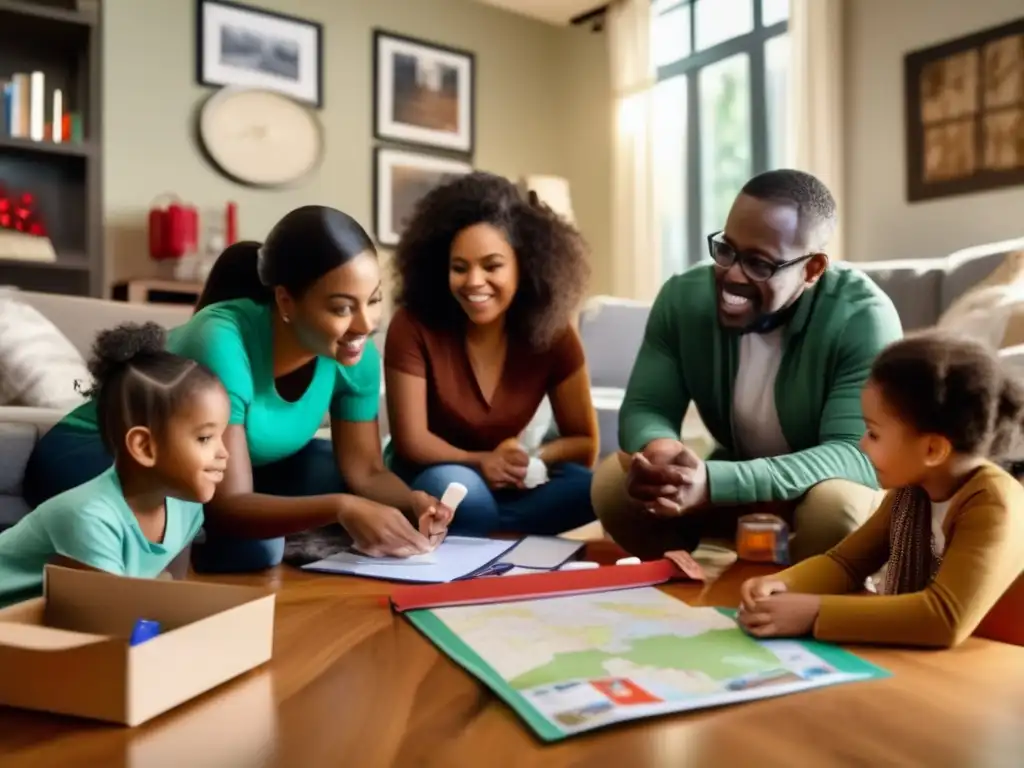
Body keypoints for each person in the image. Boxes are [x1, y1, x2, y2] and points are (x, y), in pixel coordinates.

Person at [23, 206, 452, 573]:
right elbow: (230, 503)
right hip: (108, 454)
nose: (365, 324)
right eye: (342, 307)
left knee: (330, 468)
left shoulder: (355, 354)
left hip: (216, 468)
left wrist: (411, 502)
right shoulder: (221, 340)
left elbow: (367, 470)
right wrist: (341, 506)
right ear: (286, 302)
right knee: (255, 543)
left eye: (374, 300)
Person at [592, 169, 903, 562]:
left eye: (759, 264)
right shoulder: (683, 299)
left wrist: (716, 483)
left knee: (834, 509)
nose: (731, 275)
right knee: (613, 484)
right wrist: (662, 453)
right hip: (736, 481)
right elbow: (647, 406)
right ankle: (678, 590)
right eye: (726, 250)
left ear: (811, 269)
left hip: (816, 490)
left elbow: (855, 454)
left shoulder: (862, 318)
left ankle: (801, 600)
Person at [738, 332, 1024, 648]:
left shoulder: (995, 504)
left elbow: (943, 618)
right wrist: (782, 584)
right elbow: (845, 563)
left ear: (932, 449)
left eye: (873, 433)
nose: (862, 443)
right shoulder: (913, 491)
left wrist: (814, 612)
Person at [385, 172, 599, 535]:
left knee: (595, 489)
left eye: (492, 265)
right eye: (459, 268)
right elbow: (411, 440)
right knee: (462, 494)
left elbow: (584, 443)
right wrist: (481, 462)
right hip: (434, 472)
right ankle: (491, 528)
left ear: (525, 265)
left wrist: (526, 460)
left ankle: (476, 532)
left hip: (509, 485)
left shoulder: (554, 332)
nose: (473, 281)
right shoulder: (413, 324)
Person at [0, 323, 229, 607]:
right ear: (144, 447)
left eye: (222, 435)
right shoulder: (90, 518)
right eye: (205, 438)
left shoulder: (186, 507)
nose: (224, 453)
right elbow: (103, 621)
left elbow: (167, 595)